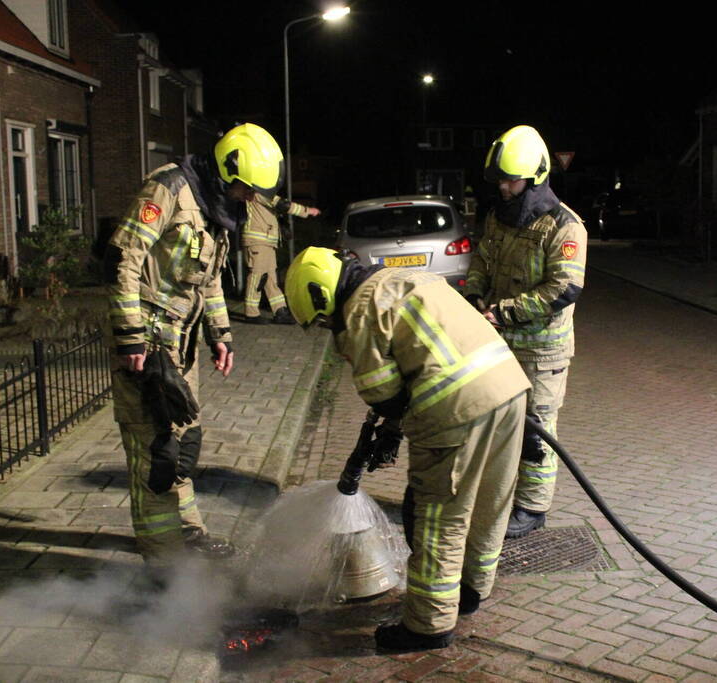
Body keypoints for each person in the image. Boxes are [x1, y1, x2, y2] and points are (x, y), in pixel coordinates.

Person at [284, 247, 530, 652]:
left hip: (454, 410)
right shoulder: (410, 278)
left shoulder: (360, 312)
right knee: (491, 502)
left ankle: (428, 625)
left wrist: (391, 424)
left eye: (324, 320)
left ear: (321, 295)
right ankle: (471, 590)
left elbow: (383, 394)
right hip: (509, 390)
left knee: (438, 517)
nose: (330, 327)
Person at [103, 123, 283, 573]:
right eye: (246, 188)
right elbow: (123, 259)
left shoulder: (216, 207)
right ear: (227, 171)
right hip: (145, 345)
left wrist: (220, 335)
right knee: (156, 448)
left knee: (184, 441)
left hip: (180, 348)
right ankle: (163, 560)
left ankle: (187, 531)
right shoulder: (168, 189)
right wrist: (130, 336)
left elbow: (211, 278)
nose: (250, 198)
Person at [462, 124, 588, 539]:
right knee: (498, 426)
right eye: (499, 179)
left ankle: (533, 509)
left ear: (534, 179)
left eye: (511, 180)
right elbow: (482, 258)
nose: (503, 187)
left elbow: (562, 288)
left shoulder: (565, 227)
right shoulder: (500, 218)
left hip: (541, 354)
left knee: (536, 433)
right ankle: (494, 498)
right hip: (500, 346)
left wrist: (504, 313)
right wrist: (476, 291)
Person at [241, 194, 320, 325]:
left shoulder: (259, 192)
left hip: (267, 242)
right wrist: (307, 211)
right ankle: (251, 313)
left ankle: (280, 311)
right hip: (257, 241)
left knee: (271, 278)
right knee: (257, 276)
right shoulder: (258, 192)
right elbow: (281, 204)